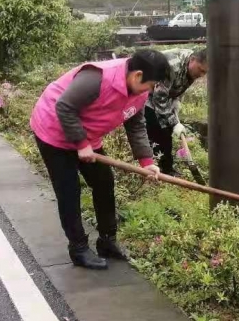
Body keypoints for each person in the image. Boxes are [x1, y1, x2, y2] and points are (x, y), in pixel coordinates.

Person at [30, 49, 172, 270]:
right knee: (69, 189)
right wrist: (81, 144)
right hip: (54, 130)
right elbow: (64, 107)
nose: (151, 90)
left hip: (87, 135)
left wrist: (147, 161)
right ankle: (78, 248)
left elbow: (135, 124)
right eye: (151, 84)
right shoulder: (97, 78)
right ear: (137, 76)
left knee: (104, 182)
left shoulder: (139, 91)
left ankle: (107, 240)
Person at [144, 49, 208, 175]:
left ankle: (167, 169)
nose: (202, 74)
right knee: (156, 128)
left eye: (205, 72)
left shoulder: (191, 69)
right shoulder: (172, 65)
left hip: (162, 96)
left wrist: (176, 101)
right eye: (201, 70)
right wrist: (174, 122)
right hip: (145, 93)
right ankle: (154, 169)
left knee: (166, 131)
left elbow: (178, 87)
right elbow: (159, 96)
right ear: (193, 59)